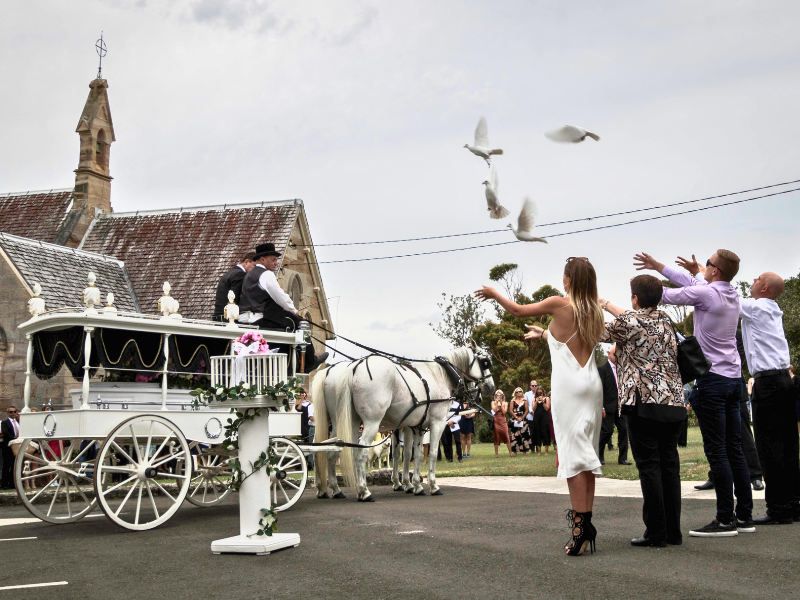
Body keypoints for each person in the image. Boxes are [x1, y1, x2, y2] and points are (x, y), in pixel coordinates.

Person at [478, 256, 604, 556]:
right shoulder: (594, 311)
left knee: (573, 460)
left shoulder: (559, 304)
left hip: (569, 390)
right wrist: (545, 334)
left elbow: (517, 310)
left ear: (569, 279)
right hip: (591, 385)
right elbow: (570, 342)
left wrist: (495, 294)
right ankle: (585, 526)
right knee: (586, 456)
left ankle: (579, 529)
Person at [634, 250, 752, 537]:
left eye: (707, 264)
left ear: (716, 271)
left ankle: (725, 520)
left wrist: (641, 288)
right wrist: (660, 266)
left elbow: (669, 295)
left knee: (717, 451)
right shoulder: (732, 293)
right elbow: (693, 281)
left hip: (711, 381)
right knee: (735, 449)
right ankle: (744, 516)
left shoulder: (708, 295)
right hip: (734, 379)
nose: (703, 266)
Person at [600, 275, 687, 547]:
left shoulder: (629, 322)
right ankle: (673, 531)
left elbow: (597, 332)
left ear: (635, 298)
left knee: (649, 466)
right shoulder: (666, 322)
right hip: (673, 401)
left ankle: (656, 532)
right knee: (670, 465)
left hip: (643, 403)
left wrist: (593, 304)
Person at [739, 271, 800, 524]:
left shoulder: (756, 308)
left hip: (768, 383)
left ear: (764, 288)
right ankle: (794, 502)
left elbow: (722, 295)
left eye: (757, 279)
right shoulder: (772, 309)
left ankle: (778, 508)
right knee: (788, 444)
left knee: (768, 445)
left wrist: (700, 273)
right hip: (785, 380)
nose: (752, 280)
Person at [238, 243, 328, 373]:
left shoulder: (249, 275)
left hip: (246, 318)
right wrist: (293, 310)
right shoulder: (266, 275)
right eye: (273, 259)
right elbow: (280, 297)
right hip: (260, 318)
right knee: (300, 323)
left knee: (291, 320)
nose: (276, 263)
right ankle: (309, 361)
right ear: (262, 259)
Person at [597, 345, 630, 466]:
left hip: (621, 406)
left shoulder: (622, 368)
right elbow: (598, 389)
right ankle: (599, 456)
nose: (617, 356)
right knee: (607, 431)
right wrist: (601, 407)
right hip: (607, 406)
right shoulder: (602, 370)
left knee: (623, 430)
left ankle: (623, 458)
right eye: (615, 354)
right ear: (609, 354)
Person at [212, 252, 256, 320]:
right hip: (227, 318)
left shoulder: (231, 273)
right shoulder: (240, 275)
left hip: (220, 316)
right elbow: (236, 300)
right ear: (246, 262)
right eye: (254, 266)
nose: (255, 271)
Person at [1, 406, 20, 489]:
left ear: (16, 412)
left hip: (17, 446)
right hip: (8, 446)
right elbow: (5, 433)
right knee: (6, 465)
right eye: (11, 412)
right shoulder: (4, 423)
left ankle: (12, 484)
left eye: (14, 412)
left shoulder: (19, 422)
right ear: (8, 413)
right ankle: (4, 484)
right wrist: (14, 438)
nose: (13, 413)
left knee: (14, 465)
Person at [530, 386, 552, 455]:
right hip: (537, 418)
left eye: (541, 392)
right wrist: (536, 401)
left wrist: (542, 402)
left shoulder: (547, 398)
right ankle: (539, 451)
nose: (540, 394)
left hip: (544, 417)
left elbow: (547, 408)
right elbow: (533, 409)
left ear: (543, 392)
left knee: (545, 432)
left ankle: (546, 450)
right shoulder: (534, 399)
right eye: (538, 393)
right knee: (537, 433)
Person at [509, 388, 531, 456]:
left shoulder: (525, 400)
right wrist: (516, 417)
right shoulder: (512, 401)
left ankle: (524, 451)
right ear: (515, 393)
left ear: (522, 392)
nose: (518, 393)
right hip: (515, 419)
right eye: (517, 392)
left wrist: (522, 418)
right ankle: (515, 451)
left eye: (520, 391)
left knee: (524, 434)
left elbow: (527, 410)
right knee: (515, 435)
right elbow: (511, 410)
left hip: (523, 419)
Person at [491, 391, 513, 458]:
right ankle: (496, 454)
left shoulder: (505, 403)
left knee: (506, 435)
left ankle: (510, 453)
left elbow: (504, 412)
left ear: (502, 396)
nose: (499, 396)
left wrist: (501, 403)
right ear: (495, 396)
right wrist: (497, 403)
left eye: (500, 395)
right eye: (497, 395)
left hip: (503, 421)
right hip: (496, 421)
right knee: (496, 437)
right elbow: (494, 410)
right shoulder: (493, 402)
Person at [524, 380, 538, 447]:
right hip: (530, 416)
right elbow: (526, 404)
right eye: (533, 386)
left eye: (535, 385)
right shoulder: (527, 394)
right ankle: (532, 448)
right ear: (530, 387)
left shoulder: (539, 393)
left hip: (538, 416)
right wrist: (531, 411)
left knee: (537, 432)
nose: (534, 387)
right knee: (531, 432)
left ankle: (538, 447)